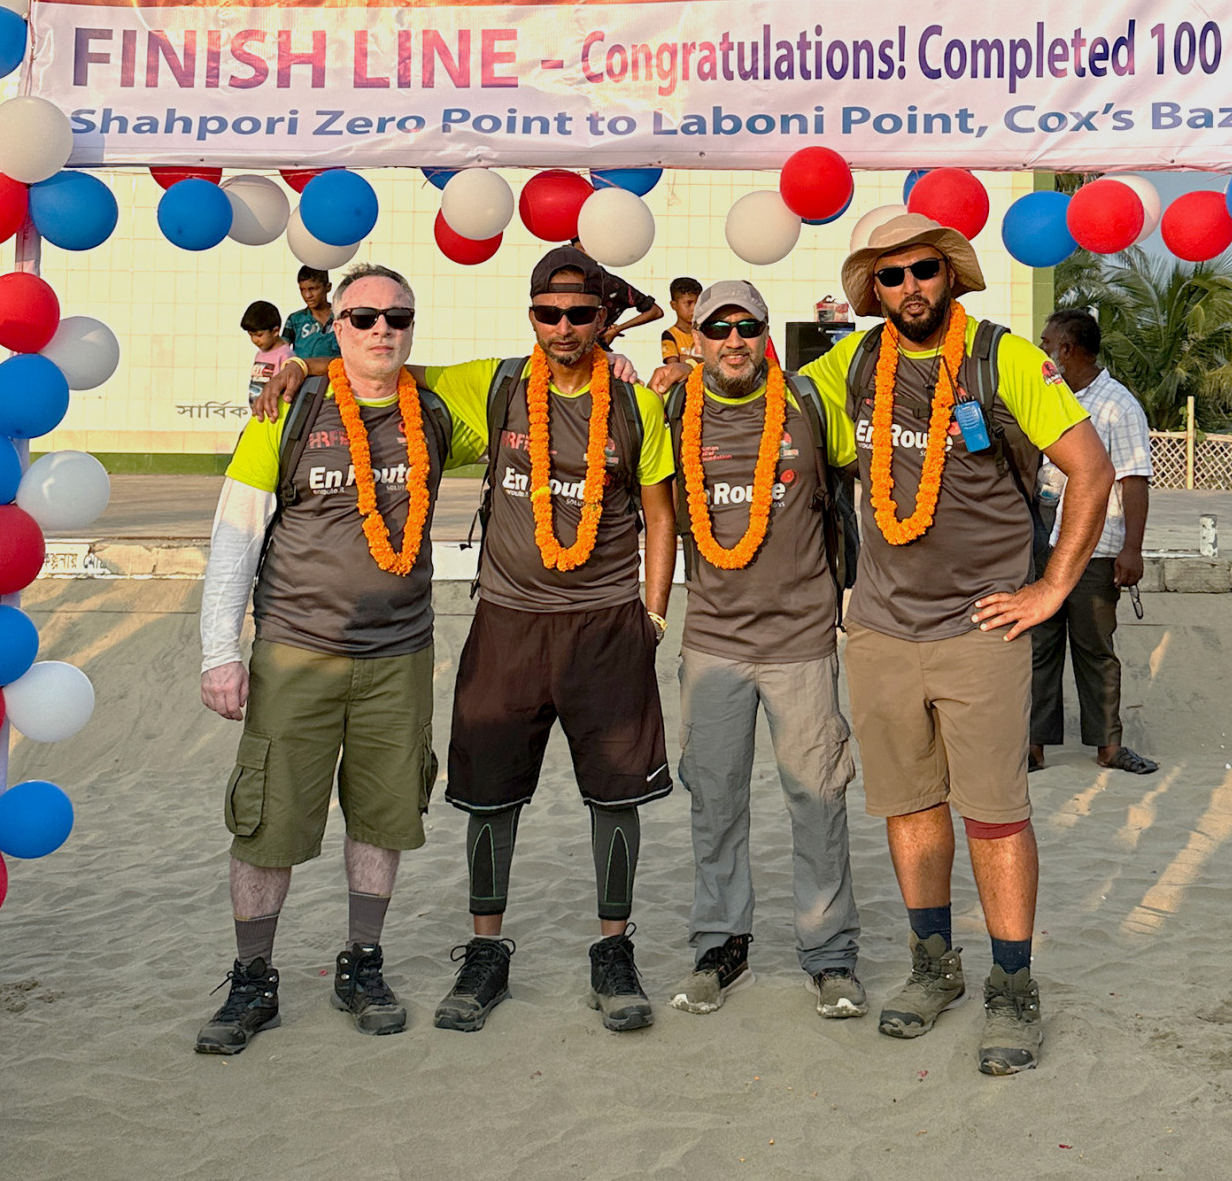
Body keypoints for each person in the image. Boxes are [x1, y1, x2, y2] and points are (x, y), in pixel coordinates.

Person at [799, 213, 1113, 1075]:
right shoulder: (854, 364)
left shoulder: (1005, 359)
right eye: (891, 277)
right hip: (882, 630)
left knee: (996, 812)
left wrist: (1050, 588)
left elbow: (1091, 468)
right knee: (908, 806)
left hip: (983, 629)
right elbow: (777, 413)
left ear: (950, 275)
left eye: (924, 270)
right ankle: (933, 968)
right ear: (874, 291)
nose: (910, 289)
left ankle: (1013, 986)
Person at [193, 264, 484, 1055]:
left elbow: (534, 373)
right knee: (268, 823)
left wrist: (626, 356)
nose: (381, 329)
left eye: (397, 316)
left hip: (399, 654)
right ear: (338, 327)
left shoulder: (436, 408)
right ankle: (253, 977)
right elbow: (236, 533)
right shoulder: (288, 408)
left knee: (383, 816)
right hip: (296, 651)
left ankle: (363, 963)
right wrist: (222, 651)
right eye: (362, 317)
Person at [419, 247, 676, 1034]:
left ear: (604, 320)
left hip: (606, 624)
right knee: (491, 795)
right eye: (546, 313)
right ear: (530, 315)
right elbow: (389, 377)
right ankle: (485, 954)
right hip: (507, 621)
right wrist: (302, 370)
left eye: (580, 314)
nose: (562, 328)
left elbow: (661, 515)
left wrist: (653, 615)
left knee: (616, 795)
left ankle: (614, 951)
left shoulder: (638, 409)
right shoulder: (495, 386)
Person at [654, 282, 865, 1021]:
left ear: (765, 335)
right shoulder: (673, 411)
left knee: (819, 800)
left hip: (801, 642)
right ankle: (722, 945)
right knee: (714, 801)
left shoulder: (808, 407)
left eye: (748, 327)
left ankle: (830, 954)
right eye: (719, 328)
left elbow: (870, 473)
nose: (734, 340)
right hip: (711, 642)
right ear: (696, 338)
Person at [1031, 311, 1157, 777]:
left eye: (1047, 343)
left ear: (1067, 349)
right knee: (1039, 644)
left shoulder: (1116, 406)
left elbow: (1134, 479)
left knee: (1094, 647)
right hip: (1046, 540)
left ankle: (1108, 746)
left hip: (1096, 546)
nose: (1042, 350)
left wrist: (1132, 549)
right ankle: (1033, 746)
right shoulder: (1054, 397)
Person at [281, 267, 338, 362]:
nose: (308, 295)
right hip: (303, 374)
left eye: (313, 289)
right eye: (303, 290)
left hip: (336, 373)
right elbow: (281, 350)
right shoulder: (295, 320)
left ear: (328, 287)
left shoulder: (341, 316)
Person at [241, 301, 292, 405]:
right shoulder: (260, 353)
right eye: (251, 335)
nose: (255, 340)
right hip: (259, 412)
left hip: (276, 413)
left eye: (259, 335)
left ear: (275, 331)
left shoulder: (286, 356)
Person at [661, 277, 703, 366]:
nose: (694, 308)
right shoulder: (670, 335)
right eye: (688, 303)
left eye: (698, 303)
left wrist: (691, 359)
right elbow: (673, 366)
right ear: (673, 305)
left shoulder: (706, 331)